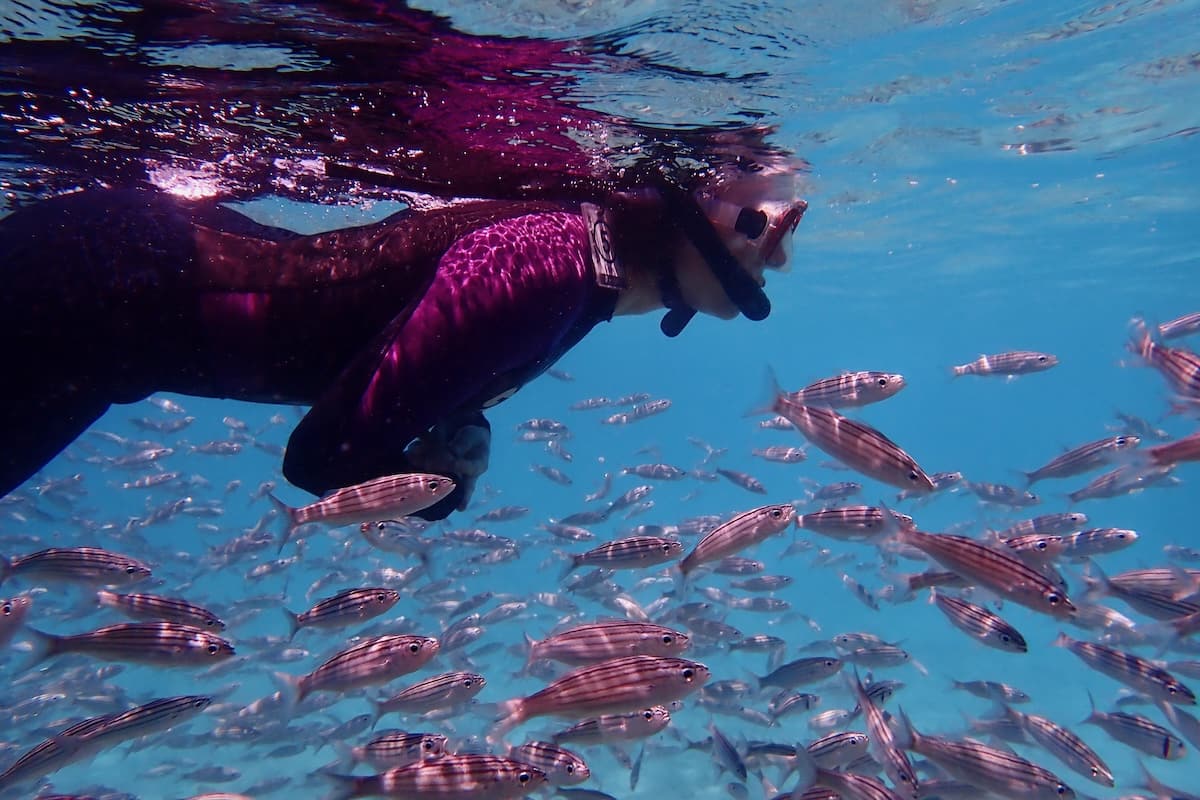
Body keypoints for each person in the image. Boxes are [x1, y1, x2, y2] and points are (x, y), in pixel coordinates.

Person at [0, 168, 806, 519]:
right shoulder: (554, 272)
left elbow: (421, 341)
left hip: (110, 295)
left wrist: (460, 427)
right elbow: (325, 456)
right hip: (93, 289)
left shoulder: (581, 266)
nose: (777, 244)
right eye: (756, 220)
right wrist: (440, 488)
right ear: (682, 209)